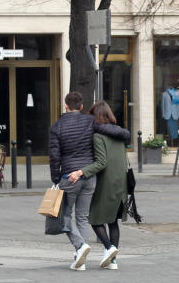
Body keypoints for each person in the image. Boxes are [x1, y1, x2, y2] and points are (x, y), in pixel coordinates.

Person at [48, 92, 130, 271]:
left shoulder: (56, 127)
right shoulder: (90, 122)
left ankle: (80, 246)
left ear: (65, 105)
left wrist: (55, 178)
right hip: (89, 177)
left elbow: (54, 157)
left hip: (69, 176)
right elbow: (111, 130)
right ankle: (80, 260)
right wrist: (125, 133)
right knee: (83, 217)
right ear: (82, 106)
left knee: (64, 215)